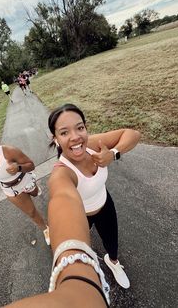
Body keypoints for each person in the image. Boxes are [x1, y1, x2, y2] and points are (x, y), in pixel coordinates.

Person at [47, 103, 141, 289]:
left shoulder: (90, 145)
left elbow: (132, 134)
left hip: (105, 203)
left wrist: (113, 154)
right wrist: (72, 278)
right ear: (56, 138)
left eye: (80, 128)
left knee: (112, 243)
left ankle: (112, 262)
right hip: (82, 214)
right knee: (81, 245)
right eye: (64, 132)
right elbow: (61, 200)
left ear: (85, 128)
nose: (75, 137)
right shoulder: (62, 173)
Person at [3, 157, 110, 308]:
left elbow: (32, 165)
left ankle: (35, 190)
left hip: (23, 181)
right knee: (32, 212)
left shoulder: (7, 152)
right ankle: (45, 228)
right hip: (9, 189)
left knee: (34, 193)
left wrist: (113, 153)